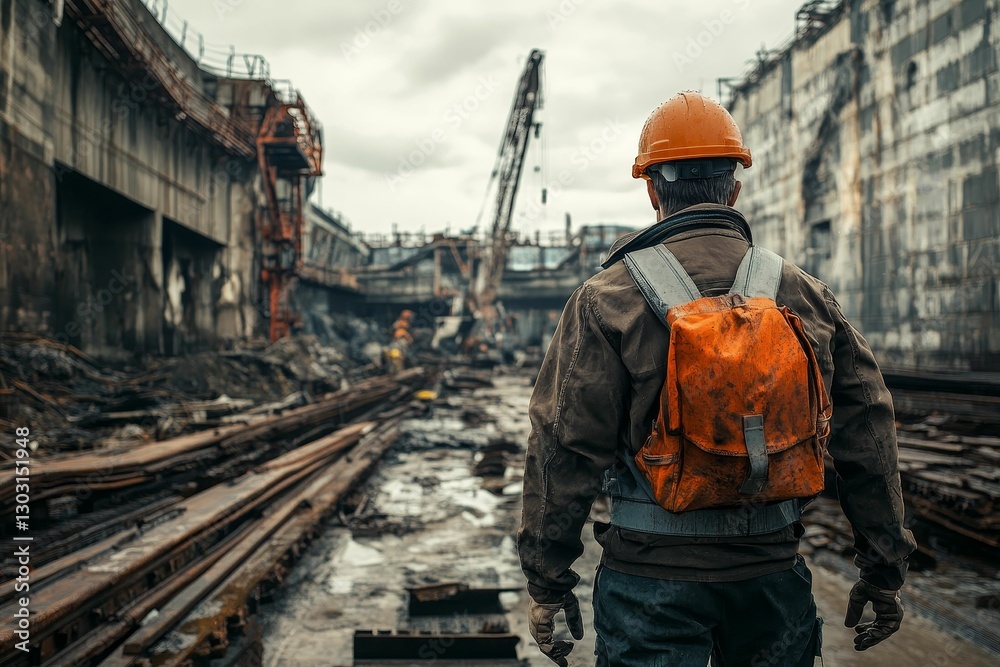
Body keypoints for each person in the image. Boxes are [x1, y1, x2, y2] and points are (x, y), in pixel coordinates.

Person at [517, 91, 916, 666]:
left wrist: (547, 580)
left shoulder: (607, 302)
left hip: (649, 585)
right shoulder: (804, 295)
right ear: (734, 186)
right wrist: (884, 569)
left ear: (652, 187)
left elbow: (563, 446)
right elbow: (869, 435)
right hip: (771, 584)